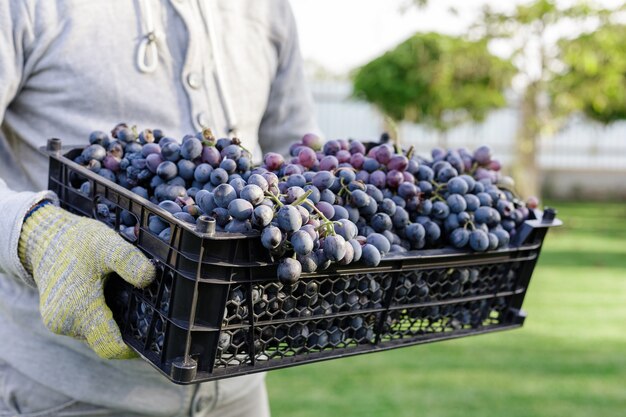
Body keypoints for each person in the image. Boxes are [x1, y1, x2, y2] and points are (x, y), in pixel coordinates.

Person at [0, 1, 318, 416]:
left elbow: (301, 158)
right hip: (69, 393)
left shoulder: (269, 8)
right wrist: (33, 232)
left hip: (241, 386)